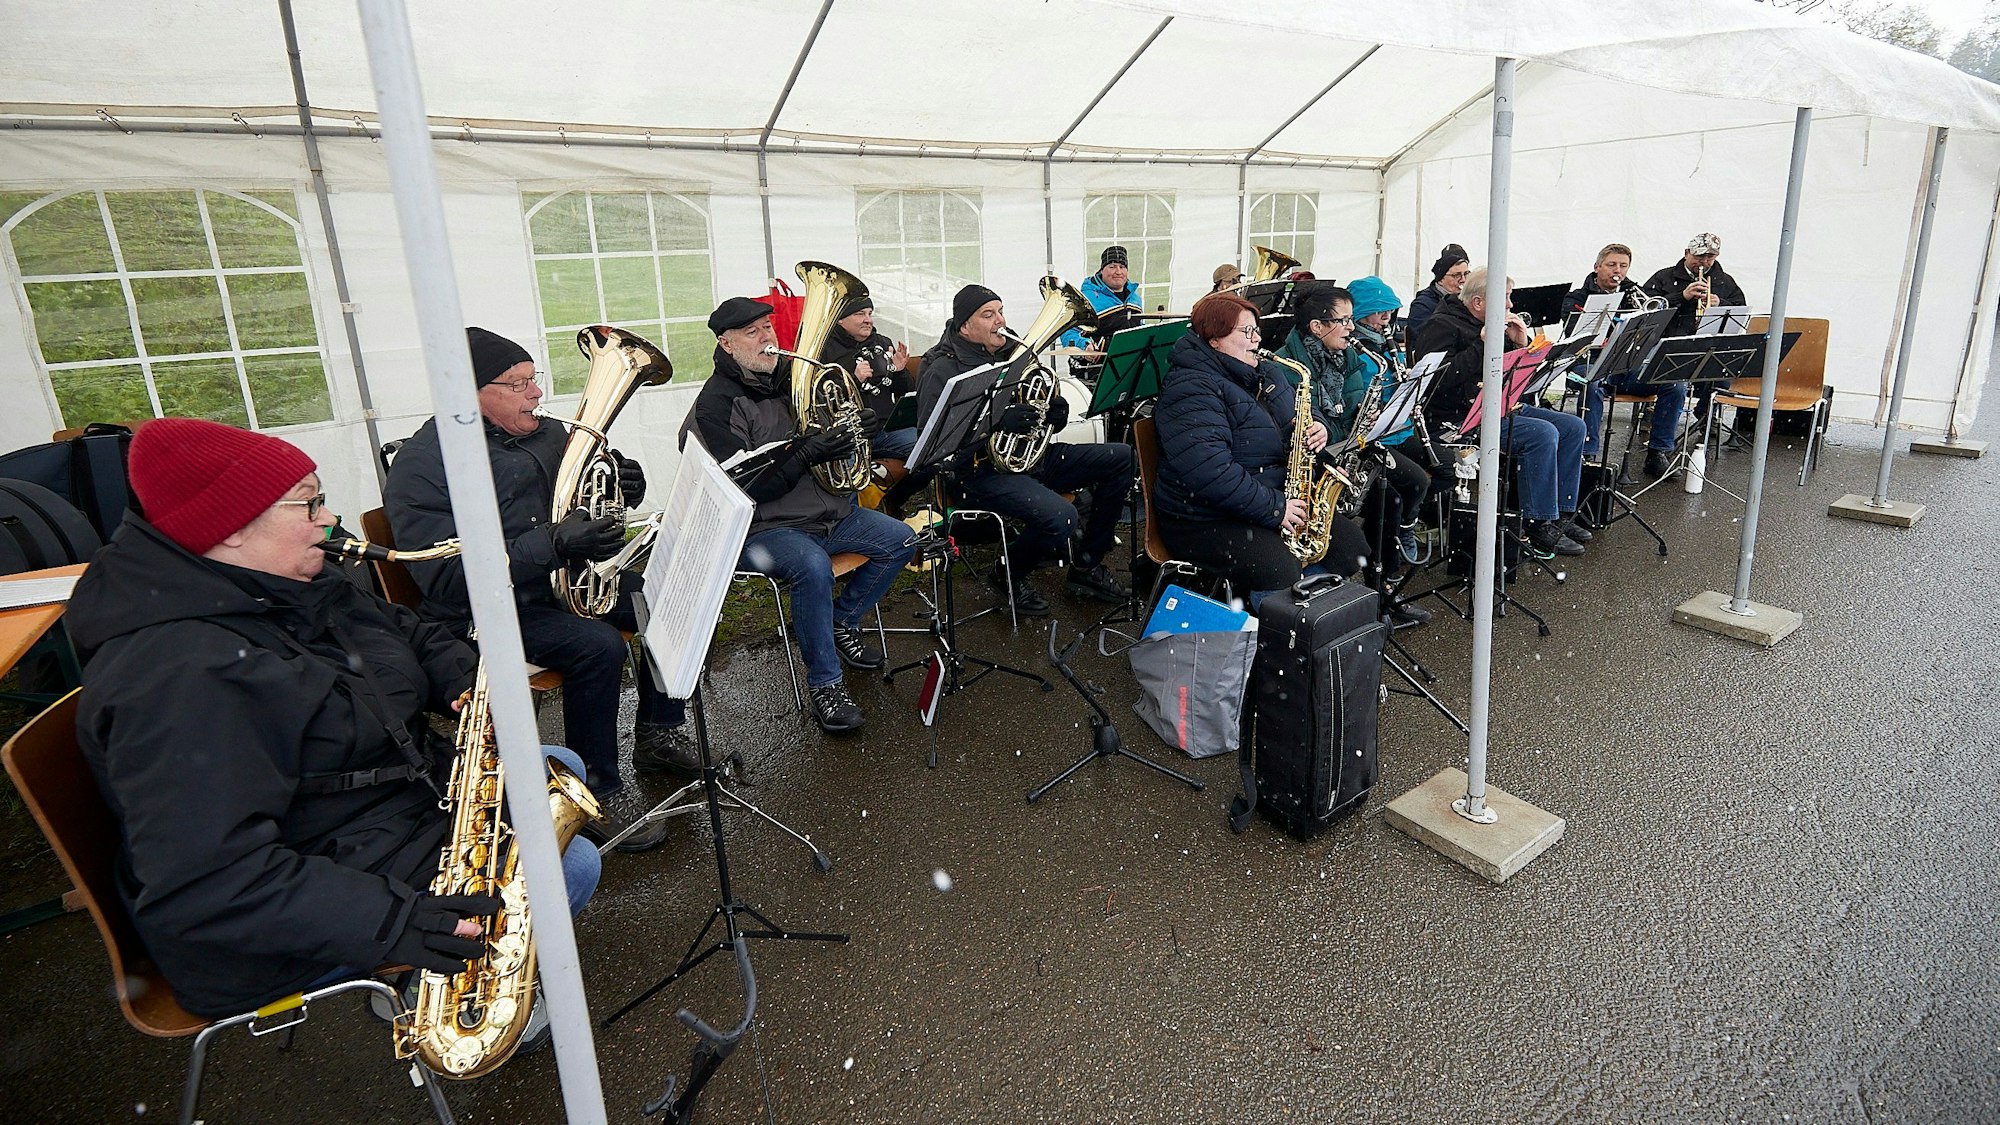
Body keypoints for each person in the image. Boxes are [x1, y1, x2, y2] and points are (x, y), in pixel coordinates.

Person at [68, 418, 599, 1025]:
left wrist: (458, 681)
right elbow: (211, 885)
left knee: (560, 770)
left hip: (368, 814)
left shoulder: (286, 583)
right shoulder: (176, 680)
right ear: (233, 527)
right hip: (278, 917)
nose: (328, 519)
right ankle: (474, 1010)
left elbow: (409, 631)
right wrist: (400, 923)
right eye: (309, 504)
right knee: (575, 862)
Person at [383, 327, 676, 853]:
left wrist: (628, 485)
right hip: (485, 610)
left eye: (532, 380)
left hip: (555, 585)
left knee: (663, 601)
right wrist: (553, 544)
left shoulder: (549, 433)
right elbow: (445, 575)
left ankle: (659, 733)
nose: (536, 393)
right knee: (598, 646)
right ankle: (594, 791)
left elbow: (594, 492)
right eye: (517, 385)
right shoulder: (424, 466)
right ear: (469, 395)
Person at [682, 296, 917, 733]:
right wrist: (804, 453)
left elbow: (841, 429)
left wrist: (858, 431)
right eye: (752, 333)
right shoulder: (715, 405)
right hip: (767, 528)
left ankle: (840, 622)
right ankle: (826, 684)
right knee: (811, 567)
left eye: (768, 327)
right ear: (726, 344)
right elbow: (746, 486)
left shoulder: (798, 376)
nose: (767, 338)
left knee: (901, 539)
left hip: (830, 510)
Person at [917, 284, 1135, 616]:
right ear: (964, 325)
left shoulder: (1011, 351)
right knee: (1061, 516)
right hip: (977, 472)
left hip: (1028, 460)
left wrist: (1054, 413)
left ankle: (1087, 566)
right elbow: (936, 446)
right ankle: (1008, 573)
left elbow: (1037, 405)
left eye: (1000, 311)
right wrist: (997, 422)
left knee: (1122, 458)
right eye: (987, 315)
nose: (999, 321)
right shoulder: (942, 370)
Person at [1152, 292, 1368, 606]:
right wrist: (1274, 509)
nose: (1257, 339)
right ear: (1215, 340)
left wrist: (1317, 424)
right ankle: (1273, 630)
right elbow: (1210, 472)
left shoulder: (1265, 371)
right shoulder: (1190, 388)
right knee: (1278, 566)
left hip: (1263, 499)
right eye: (1246, 332)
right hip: (1203, 517)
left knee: (1352, 547)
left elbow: (1302, 406)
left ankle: (1306, 609)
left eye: (1257, 331)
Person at [1412, 267, 1591, 558]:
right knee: (1542, 434)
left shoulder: (1494, 323)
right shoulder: (1441, 326)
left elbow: (1523, 381)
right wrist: (1482, 344)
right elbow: (1436, 383)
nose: (1510, 306)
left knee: (1573, 427)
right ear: (1478, 303)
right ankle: (1537, 521)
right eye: (1505, 299)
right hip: (1460, 417)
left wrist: (1522, 344)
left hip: (1500, 405)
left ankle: (1559, 513)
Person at [1344, 276, 1441, 580]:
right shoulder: (1355, 351)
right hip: (1373, 437)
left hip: (1398, 427)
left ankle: (1407, 526)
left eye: (1390, 311)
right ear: (1359, 315)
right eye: (1379, 312)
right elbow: (1355, 399)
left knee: (1445, 468)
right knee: (1408, 486)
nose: (1386, 318)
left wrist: (1410, 383)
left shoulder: (1386, 343)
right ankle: (1389, 558)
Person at [1570, 242, 1687, 479]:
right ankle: (1588, 454)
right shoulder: (1577, 297)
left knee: (1675, 384)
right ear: (1597, 267)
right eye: (1611, 264)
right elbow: (1575, 335)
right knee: (1591, 385)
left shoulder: (1633, 292)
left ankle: (1658, 452)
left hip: (1626, 365)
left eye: (1623, 266)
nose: (1618, 271)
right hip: (1591, 362)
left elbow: (1652, 332)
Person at [817, 292, 926, 512]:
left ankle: (894, 500)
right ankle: (853, 521)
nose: (868, 319)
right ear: (840, 319)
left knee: (931, 447)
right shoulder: (824, 350)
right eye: (859, 314)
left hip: (885, 430)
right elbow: (821, 401)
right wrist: (853, 380)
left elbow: (906, 390)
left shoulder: (882, 342)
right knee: (844, 472)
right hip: (849, 437)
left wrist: (899, 371)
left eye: (870, 313)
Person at [1642, 232, 1748, 427]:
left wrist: (1720, 303)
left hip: (1706, 345)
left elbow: (1741, 310)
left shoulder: (1725, 281)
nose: (1704, 262)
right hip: (1669, 343)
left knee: (1723, 373)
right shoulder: (1664, 277)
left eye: (1710, 257)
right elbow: (1647, 307)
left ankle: (1706, 416)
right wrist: (1681, 296)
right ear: (1686, 253)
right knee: (1670, 379)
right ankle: (1658, 417)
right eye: (1699, 256)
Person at [1060, 244, 1143, 350]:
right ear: (1102, 270)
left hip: (1130, 362)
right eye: (1112, 267)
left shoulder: (1135, 299)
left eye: (1122, 267)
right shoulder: (1086, 299)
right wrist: (1085, 346)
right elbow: (1068, 333)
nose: (1118, 272)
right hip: (1098, 364)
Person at [1406, 243, 1470, 335]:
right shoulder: (1423, 305)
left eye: (1466, 274)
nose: (1463, 280)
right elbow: (1425, 338)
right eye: (1456, 275)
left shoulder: (1466, 300)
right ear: (1441, 279)